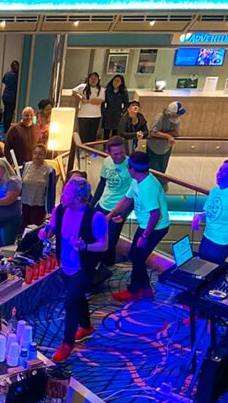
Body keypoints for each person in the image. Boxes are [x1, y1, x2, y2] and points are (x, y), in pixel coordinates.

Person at [39, 175, 108, 363]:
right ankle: (86, 327)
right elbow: (52, 228)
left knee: (70, 301)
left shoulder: (96, 217)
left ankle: (67, 343)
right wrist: (46, 232)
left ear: (78, 198)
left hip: (84, 266)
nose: (63, 195)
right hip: (65, 264)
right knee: (77, 298)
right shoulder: (59, 210)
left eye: (67, 193)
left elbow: (103, 245)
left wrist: (86, 246)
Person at [109, 151, 171, 303]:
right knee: (136, 256)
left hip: (155, 227)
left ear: (132, 169)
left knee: (137, 257)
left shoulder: (147, 188)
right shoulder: (137, 180)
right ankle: (145, 289)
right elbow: (127, 199)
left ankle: (135, 291)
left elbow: (155, 215)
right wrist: (112, 214)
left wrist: (145, 237)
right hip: (146, 225)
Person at [92, 136, 132, 265]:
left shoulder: (131, 165)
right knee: (94, 236)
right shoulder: (107, 162)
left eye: (122, 152)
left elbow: (133, 195)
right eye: (116, 154)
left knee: (110, 242)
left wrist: (124, 214)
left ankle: (109, 269)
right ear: (109, 153)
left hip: (118, 210)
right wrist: (92, 205)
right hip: (102, 205)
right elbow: (102, 183)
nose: (119, 156)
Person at [194, 159, 228, 265]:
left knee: (210, 269)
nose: (220, 173)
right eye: (220, 170)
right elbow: (209, 212)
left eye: (225, 171)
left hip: (221, 241)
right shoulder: (214, 191)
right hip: (207, 236)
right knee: (201, 265)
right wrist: (199, 217)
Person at [19, 144, 56, 230]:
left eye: (40, 154)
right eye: (35, 153)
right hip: (24, 203)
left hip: (39, 205)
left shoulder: (49, 170)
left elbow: (51, 191)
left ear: (44, 156)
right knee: (22, 228)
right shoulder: (26, 166)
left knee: (34, 229)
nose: (37, 156)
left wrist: (50, 210)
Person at [147, 101, 185, 175]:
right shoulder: (160, 118)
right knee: (153, 168)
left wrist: (165, 135)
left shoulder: (177, 119)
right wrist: (168, 136)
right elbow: (153, 132)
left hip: (166, 147)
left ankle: (161, 182)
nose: (178, 116)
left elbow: (177, 133)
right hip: (154, 147)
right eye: (177, 114)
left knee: (163, 167)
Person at [71, 73, 105, 144]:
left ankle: (90, 152)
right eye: (91, 78)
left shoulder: (101, 89)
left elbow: (99, 101)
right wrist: (80, 97)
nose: (93, 80)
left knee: (92, 137)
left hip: (95, 116)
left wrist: (87, 100)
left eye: (95, 78)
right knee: (83, 136)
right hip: (83, 115)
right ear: (88, 79)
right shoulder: (82, 87)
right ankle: (82, 152)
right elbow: (74, 92)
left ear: (98, 80)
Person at [0, 61, 19, 131]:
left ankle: (5, 126)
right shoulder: (17, 76)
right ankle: (7, 129)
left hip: (5, 95)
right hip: (12, 97)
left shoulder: (7, 74)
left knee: (5, 111)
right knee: (9, 113)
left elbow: (3, 81)